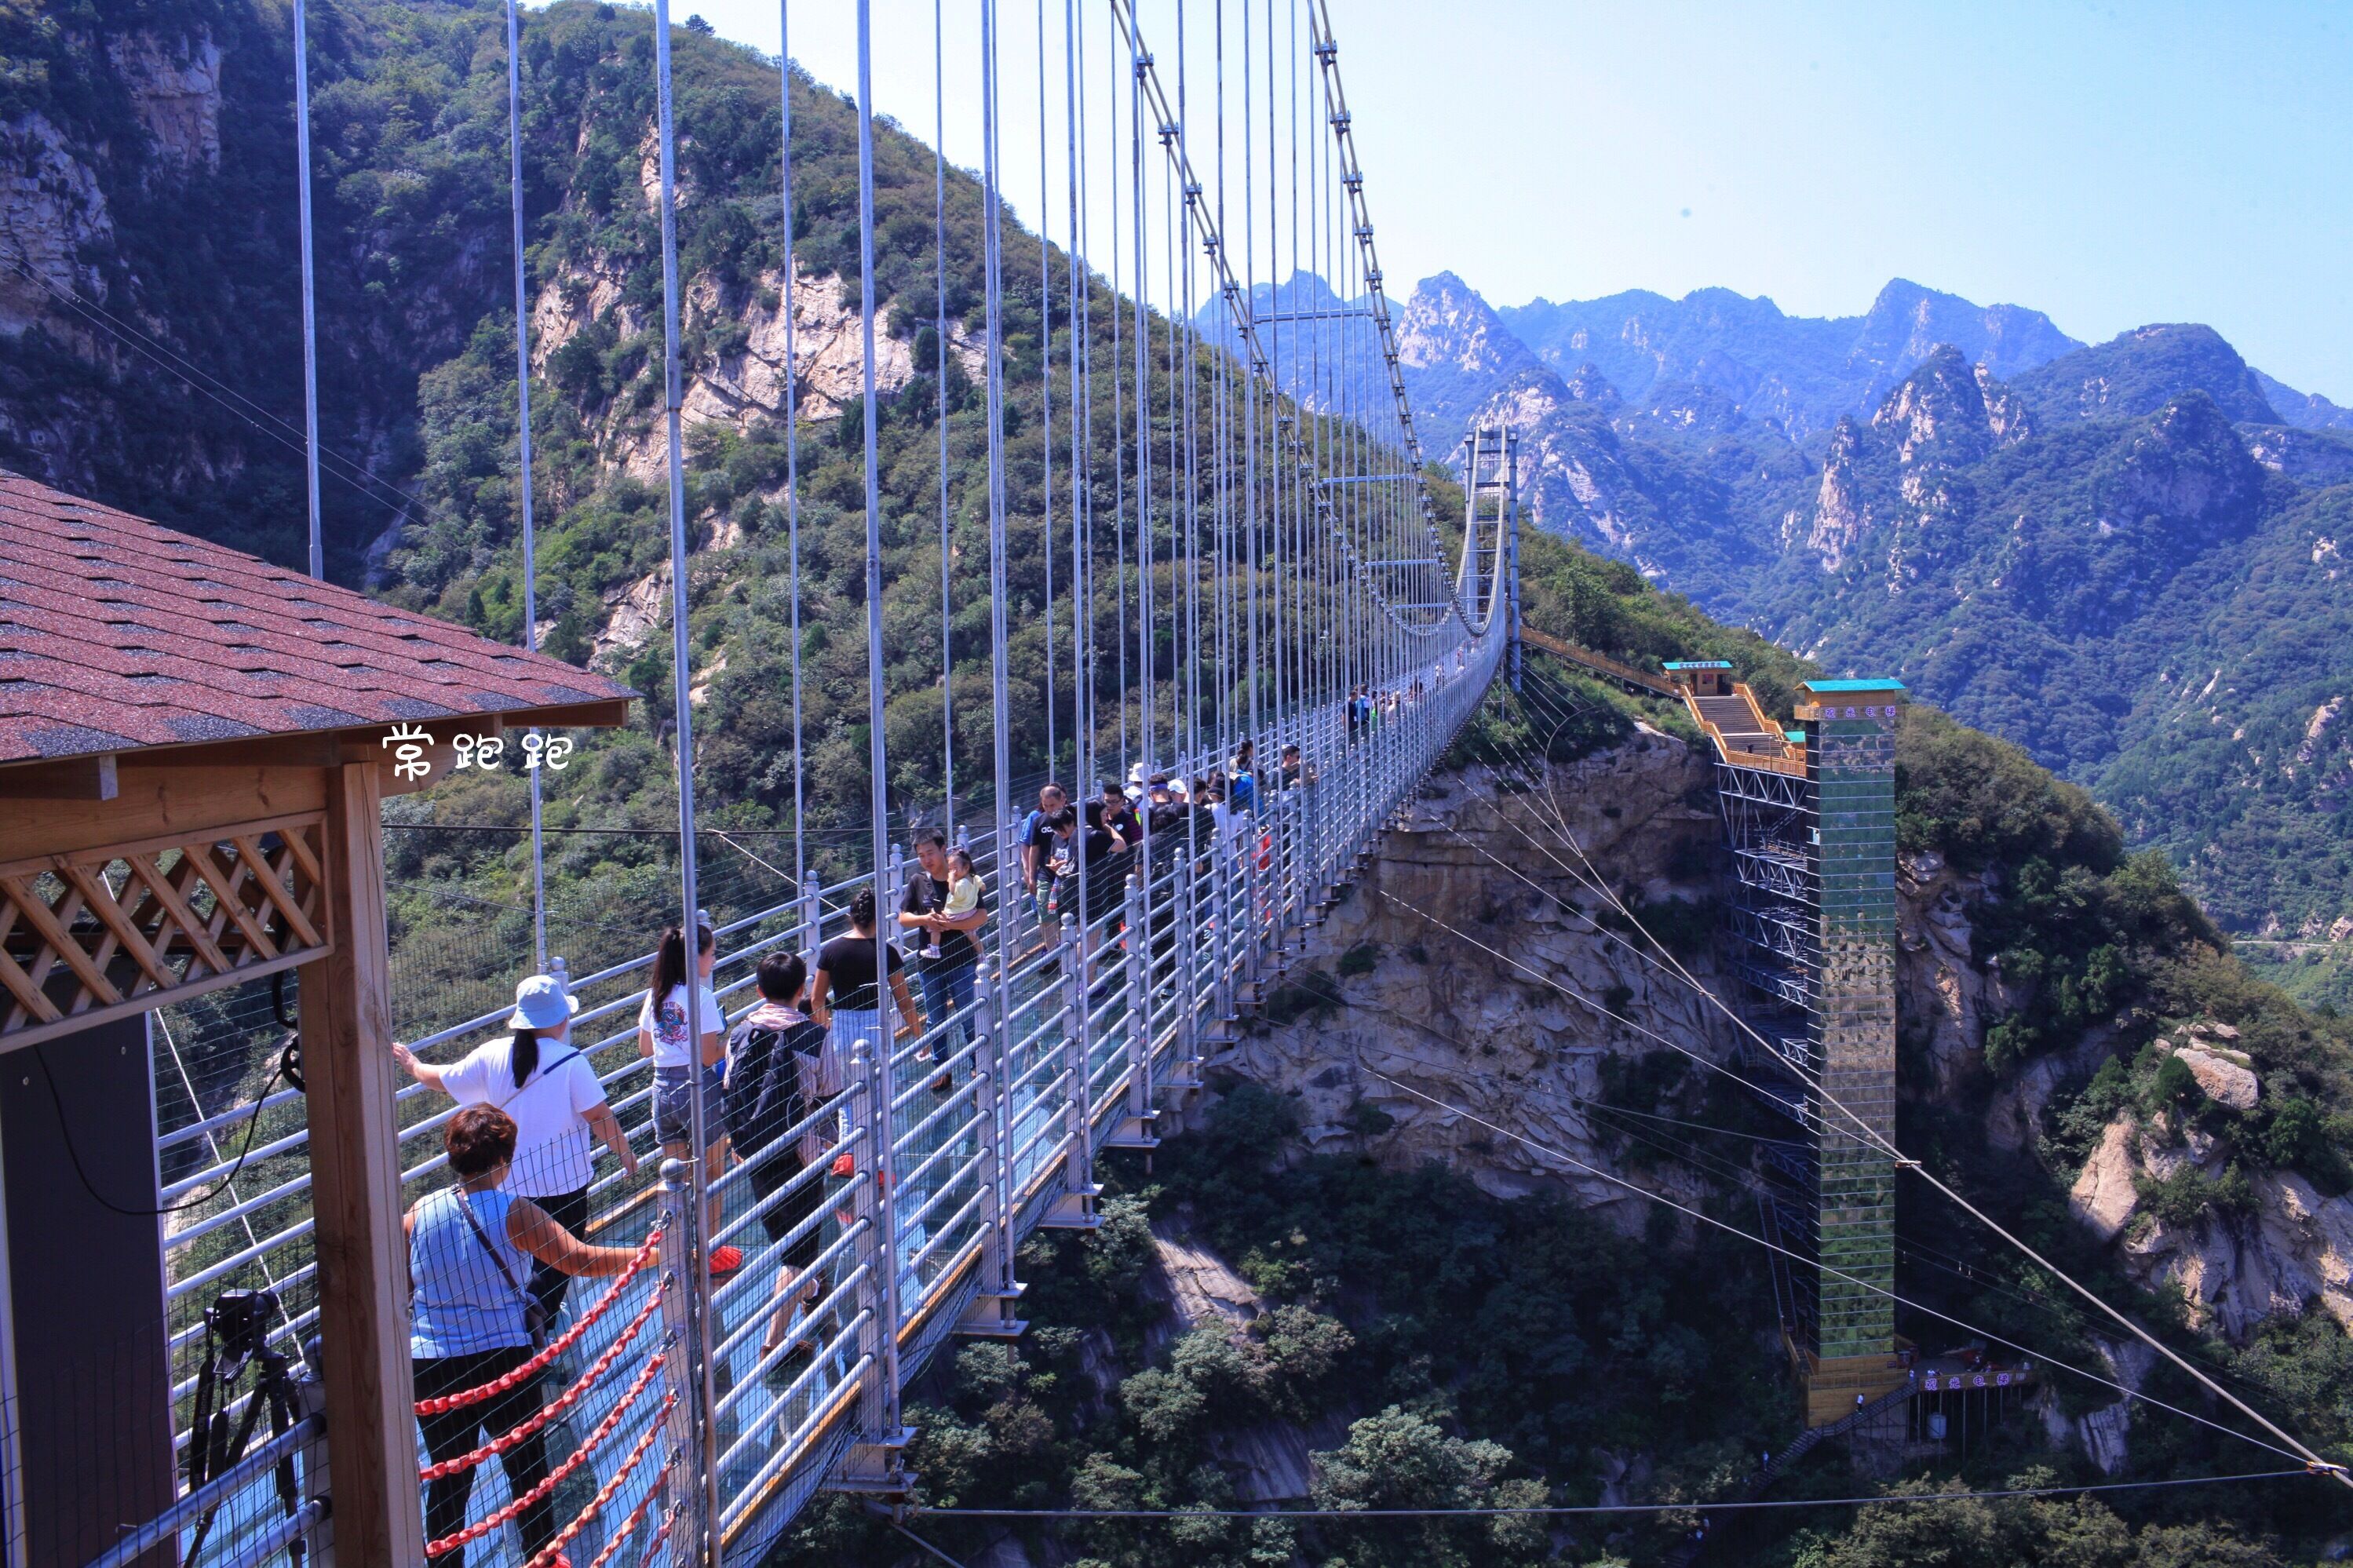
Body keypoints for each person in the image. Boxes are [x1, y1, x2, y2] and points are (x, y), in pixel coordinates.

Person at [408, 1106, 637, 1567]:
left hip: (430, 1362)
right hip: (501, 1359)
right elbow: (582, 1261)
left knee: (450, 1475)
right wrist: (655, 1252)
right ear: (505, 1158)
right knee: (527, 1466)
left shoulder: (417, 1213)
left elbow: (401, 1283)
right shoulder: (515, 1212)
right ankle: (540, 1558)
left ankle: (441, 1563)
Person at [395, 973, 638, 1325]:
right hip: (564, 1189)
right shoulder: (571, 1061)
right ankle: (536, 1337)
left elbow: (440, 1079)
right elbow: (599, 1116)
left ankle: (509, 1328)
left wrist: (412, 1064)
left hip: (506, 1190)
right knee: (556, 1272)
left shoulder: (491, 1053)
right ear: (561, 1019)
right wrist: (625, 1154)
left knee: (513, 1266)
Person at [723, 952, 833, 1369]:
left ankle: (806, 1288)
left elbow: (730, 1089)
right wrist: (828, 1149)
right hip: (802, 1155)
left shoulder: (740, 1034)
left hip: (754, 1152)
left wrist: (740, 1140)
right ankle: (773, 1344)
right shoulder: (814, 1036)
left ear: (758, 991)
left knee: (785, 1240)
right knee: (798, 1250)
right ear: (802, 990)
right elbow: (829, 1096)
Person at [637, 923, 739, 1274]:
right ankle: (708, 1254)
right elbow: (710, 1057)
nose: (713, 959)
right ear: (694, 957)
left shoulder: (656, 994)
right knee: (711, 1175)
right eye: (710, 953)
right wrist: (737, 1044)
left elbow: (645, 1047)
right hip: (697, 1089)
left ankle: (677, 1257)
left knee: (675, 1180)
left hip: (661, 1090)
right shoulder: (702, 998)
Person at [810, 887, 925, 1088]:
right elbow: (904, 1002)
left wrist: (826, 1026)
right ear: (879, 917)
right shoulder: (886, 952)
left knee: (847, 1099)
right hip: (877, 1025)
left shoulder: (831, 950)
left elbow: (816, 1000)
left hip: (842, 1028)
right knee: (883, 1095)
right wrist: (919, 1036)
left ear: (850, 917)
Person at [898, 833, 986, 1088]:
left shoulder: (962, 877)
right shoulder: (917, 881)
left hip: (962, 960)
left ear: (943, 850)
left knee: (969, 1015)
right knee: (936, 1019)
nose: (926, 859)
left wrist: (952, 925)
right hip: (930, 962)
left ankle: (977, 1064)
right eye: (921, 855)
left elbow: (981, 916)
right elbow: (903, 918)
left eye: (930, 853)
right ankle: (941, 1069)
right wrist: (926, 920)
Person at [1021, 783, 1067, 924]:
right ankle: (1053, 946)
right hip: (1046, 874)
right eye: (1045, 805)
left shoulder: (1073, 818)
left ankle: (1071, 944)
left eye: (1052, 805)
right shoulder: (1038, 821)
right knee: (1047, 918)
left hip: (1069, 874)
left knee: (1068, 915)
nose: (1049, 809)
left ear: (1063, 801)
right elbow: (1033, 849)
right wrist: (1031, 877)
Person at [1229, 739, 1259, 814]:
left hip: (1235, 800)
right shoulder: (1256, 762)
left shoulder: (1232, 762)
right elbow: (1263, 781)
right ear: (1251, 749)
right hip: (1250, 800)